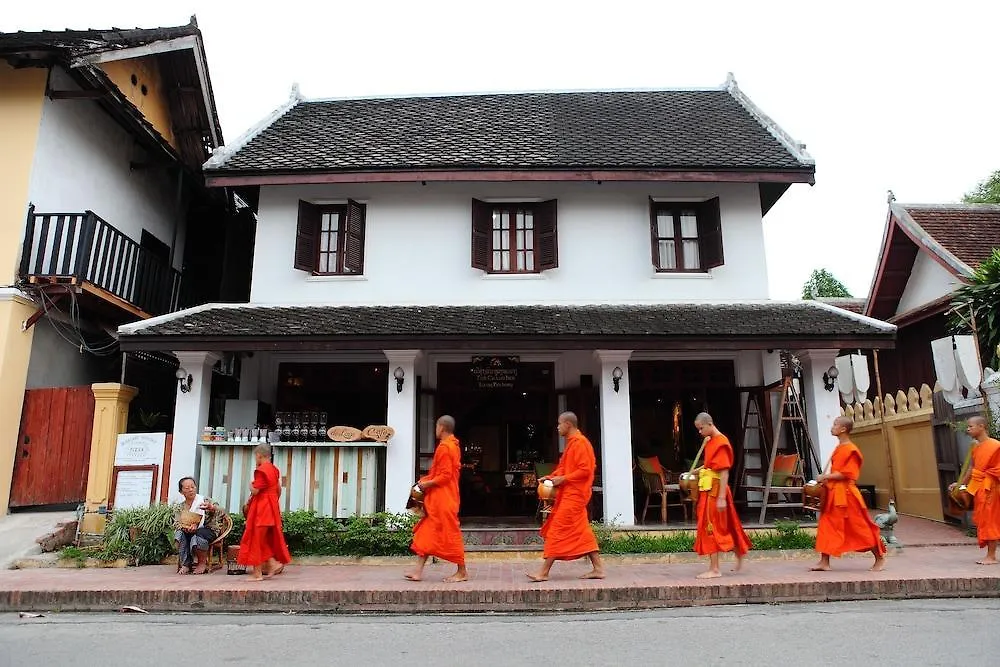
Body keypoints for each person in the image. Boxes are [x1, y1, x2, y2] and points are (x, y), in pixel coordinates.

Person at [527, 412, 605, 581]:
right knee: (583, 531)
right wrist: (550, 477)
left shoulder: (581, 444)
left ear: (568, 424)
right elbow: (564, 468)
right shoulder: (571, 444)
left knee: (557, 529)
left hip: (576, 495)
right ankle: (598, 568)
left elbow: (585, 471)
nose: (557, 427)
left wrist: (563, 479)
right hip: (569, 494)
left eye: (559, 424)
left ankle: (544, 572)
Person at [811, 416, 886, 572]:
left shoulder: (851, 450)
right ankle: (824, 561)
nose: (832, 427)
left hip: (847, 495)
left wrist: (825, 477)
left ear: (843, 429)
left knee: (859, 527)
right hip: (834, 494)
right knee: (827, 526)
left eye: (835, 425)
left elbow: (848, 474)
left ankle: (879, 556)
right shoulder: (840, 448)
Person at [406, 415, 467, 583]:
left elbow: (445, 476)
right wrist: (424, 480)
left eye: (436, 427)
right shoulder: (451, 445)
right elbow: (440, 473)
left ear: (441, 427)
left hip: (444, 499)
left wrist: (426, 485)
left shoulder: (446, 447)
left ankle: (462, 571)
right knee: (427, 533)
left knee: (450, 533)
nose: (435, 430)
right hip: (441, 498)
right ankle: (417, 571)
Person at [693, 412, 750, 578]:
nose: (700, 432)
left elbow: (724, 472)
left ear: (710, 424)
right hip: (709, 488)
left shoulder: (721, 442)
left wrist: (721, 498)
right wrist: (695, 472)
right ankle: (737, 552)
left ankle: (715, 569)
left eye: (701, 428)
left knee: (711, 526)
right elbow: (710, 465)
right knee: (722, 525)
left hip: (716, 490)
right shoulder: (710, 441)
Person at [237, 444, 291, 581]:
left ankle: (257, 574)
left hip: (261, 509)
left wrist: (251, 484)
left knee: (255, 539)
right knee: (263, 539)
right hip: (271, 507)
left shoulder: (262, 470)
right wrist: (272, 501)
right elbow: (279, 489)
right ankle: (272, 563)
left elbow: (255, 491)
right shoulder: (274, 469)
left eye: (256, 456)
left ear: (259, 455)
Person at [955, 415, 1000, 565]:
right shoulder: (976, 447)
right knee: (983, 519)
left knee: (990, 520)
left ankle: (992, 556)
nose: (968, 429)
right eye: (967, 427)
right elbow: (972, 468)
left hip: (991, 488)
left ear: (981, 427)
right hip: (980, 487)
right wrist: (960, 484)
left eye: (971, 426)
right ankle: (990, 554)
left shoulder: (995, 445)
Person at [173, 477, 226, 575]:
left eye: (192, 487)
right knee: (179, 533)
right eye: (187, 488)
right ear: (181, 491)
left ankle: (202, 563)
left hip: (208, 529)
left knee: (198, 533)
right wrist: (186, 527)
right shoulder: (180, 507)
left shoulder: (204, 500)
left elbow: (222, 511)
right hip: (188, 530)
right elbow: (176, 523)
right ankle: (186, 564)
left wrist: (211, 508)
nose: (191, 490)